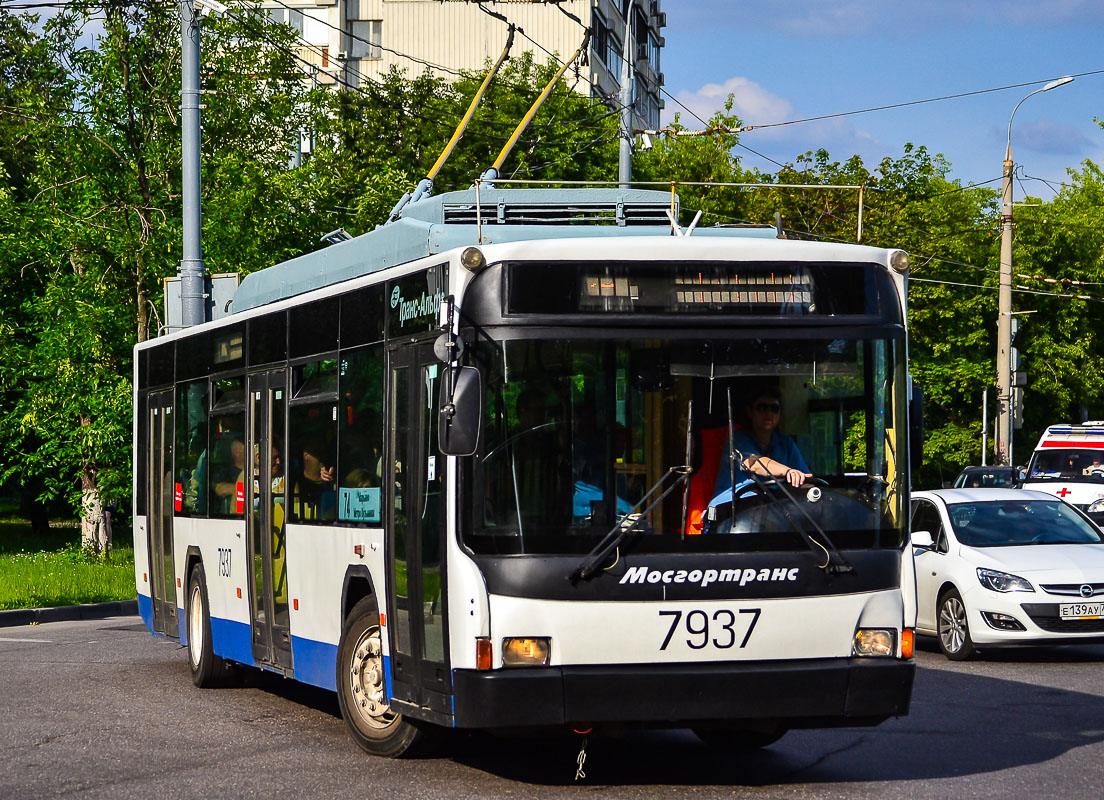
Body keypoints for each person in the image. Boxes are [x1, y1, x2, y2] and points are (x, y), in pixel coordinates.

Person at [713, 386, 812, 503]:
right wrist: (787, 472)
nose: (769, 413)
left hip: (770, 509)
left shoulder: (786, 443)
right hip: (732, 509)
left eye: (774, 408)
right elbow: (754, 463)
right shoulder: (737, 439)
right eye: (762, 408)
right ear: (750, 412)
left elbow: (805, 479)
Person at [292, 436, 336, 521]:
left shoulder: (333, 482)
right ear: (306, 456)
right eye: (318, 453)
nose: (323, 457)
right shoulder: (294, 482)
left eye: (324, 452)